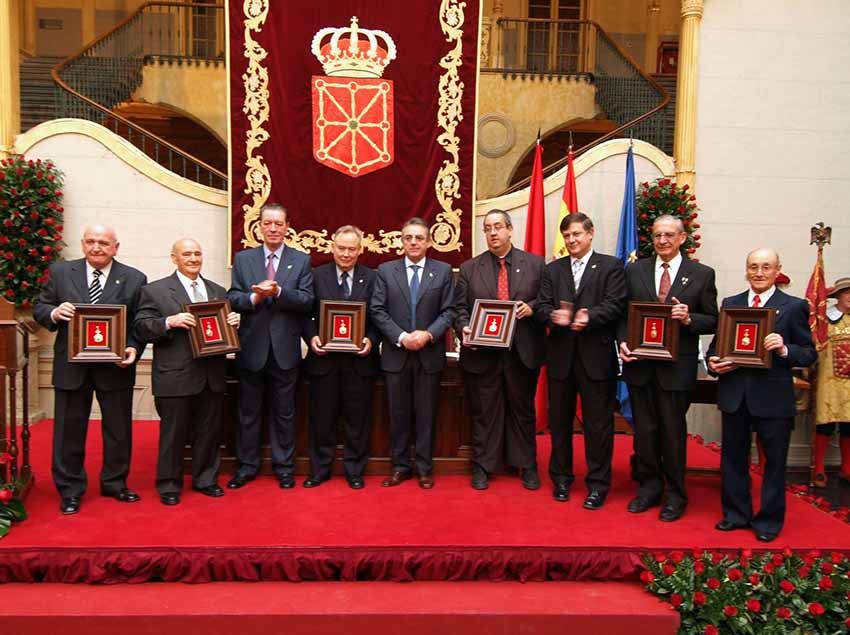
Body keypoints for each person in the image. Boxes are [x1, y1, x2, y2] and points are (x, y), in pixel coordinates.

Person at [33, 225, 147, 515]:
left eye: (104, 243)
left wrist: (134, 347)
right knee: (68, 431)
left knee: (118, 430)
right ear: (83, 244)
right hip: (72, 367)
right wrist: (55, 313)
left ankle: (115, 483)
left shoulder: (134, 278)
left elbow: (140, 320)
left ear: (116, 247)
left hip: (115, 367)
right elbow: (41, 307)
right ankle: (70, 490)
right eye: (91, 242)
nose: (97, 247)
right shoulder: (60, 272)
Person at [707, 248, 816, 541]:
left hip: (773, 397)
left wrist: (783, 348)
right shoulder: (732, 304)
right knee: (732, 460)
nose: (758, 272)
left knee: (774, 463)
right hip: (735, 396)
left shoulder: (793, 306)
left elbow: (808, 354)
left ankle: (768, 520)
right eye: (753, 266)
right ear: (746, 270)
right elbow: (715, 348)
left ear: (777, 270)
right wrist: (713, 364)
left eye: (766, 267)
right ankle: (735, 515)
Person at [618, 214, 718, 522]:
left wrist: (689, 319)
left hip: (676, 370)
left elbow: (712, 319)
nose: (662, 240)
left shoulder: (701, 274)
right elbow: (622, 314)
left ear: (682, 238)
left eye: (669, 235)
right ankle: (649, 488)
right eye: (658, 235)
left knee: (672, 432)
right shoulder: (635, 270)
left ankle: (676, 494)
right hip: (640, 366)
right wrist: (622, 342)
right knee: (645, 432)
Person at [134, 239, 240, 505]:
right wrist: (169, 322)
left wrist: (234, 322)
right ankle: (169, 484)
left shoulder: (217, 291)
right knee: (174, 434)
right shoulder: (155, 291)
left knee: (209, 431)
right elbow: (142, 327)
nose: (193, 258)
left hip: (211, 374)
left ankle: (206, 479)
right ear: (174, 258)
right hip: (176, 375)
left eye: (197, 253)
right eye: (187, 254)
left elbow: (222, 332)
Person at [536, 212, 626, 507]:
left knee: (598, 426)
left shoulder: (611, 267)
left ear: (590, 234)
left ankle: (598, 484)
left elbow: (616, 305)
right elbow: (540, 307)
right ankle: (561, 479)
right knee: (559, 424)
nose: (572, 240)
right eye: (567, 236)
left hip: (596, 359)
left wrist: (589, 317)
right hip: (561, 359)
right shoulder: (553, 270)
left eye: (576, 234)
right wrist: (552, 315)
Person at [454, 210, 544, 491]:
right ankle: (483, 466)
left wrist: (533, 308)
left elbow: (547, 300)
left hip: (521, 350)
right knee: (485, 411)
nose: (493, 233)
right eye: (487, 228)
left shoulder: (535, 264)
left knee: (522, 411)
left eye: (498, 227)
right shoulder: (470, 268)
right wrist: (464, 328)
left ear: (510, 230)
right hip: (483, 352)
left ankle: (526, 465)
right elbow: (459, 309)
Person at [226, 203, 314, 489]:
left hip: (285, 351)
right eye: (268, 223)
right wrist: (254, 299)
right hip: (251, 349)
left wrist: (278, 291)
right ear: (259, 226)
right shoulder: (243, 259)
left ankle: (284, 467)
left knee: (285, 414)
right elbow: (233, 297)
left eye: (279, 223)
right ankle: (247, 467)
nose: (273, 228)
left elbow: (306, 301)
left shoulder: (301, 260)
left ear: (287, 227)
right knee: (248, 414)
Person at [371, 217, 455, 489]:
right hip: (397, 355)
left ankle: (424, 468)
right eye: (408, 237)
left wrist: (428, 334)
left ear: (429, 242)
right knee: (397, 413)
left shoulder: (443, 271)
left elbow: (449, 311)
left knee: (427, 414)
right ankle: (400, 467)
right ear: (401, 241)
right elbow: (378, 310)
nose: (414, 242)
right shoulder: (385, 270)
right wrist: (401, 336)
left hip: (429, 355)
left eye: (419, 238)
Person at [302, 225, 380, 489]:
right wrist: (311, 337)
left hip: (360, 362)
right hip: (323, 361)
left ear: (360, 250)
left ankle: (354, 469)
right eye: (341, 248)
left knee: (357, 420)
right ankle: (320, 469)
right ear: (332, 247)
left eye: (351, 249)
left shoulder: (372, 278)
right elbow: (304, 313)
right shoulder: (315, 276)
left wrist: (371, 338)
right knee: (321, 419)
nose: (346, 254)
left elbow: (378, 315)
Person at [812, 277, 850, 487]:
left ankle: (846, 469)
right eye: (847, 292)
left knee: (849, 425)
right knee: (826, 424)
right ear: (838, 295)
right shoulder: (824, 319)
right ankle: (818, 468)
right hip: (829, 381)